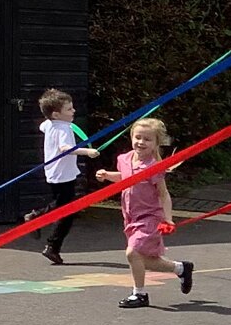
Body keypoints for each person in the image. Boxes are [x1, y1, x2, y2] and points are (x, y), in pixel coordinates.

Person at [95, 117, 194, 308]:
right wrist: (108, 176)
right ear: (132, 137)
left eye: (147, 139)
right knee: (144, 259)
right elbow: (125, 178)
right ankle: (181, 268)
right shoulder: (124, 159)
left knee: (133, 253)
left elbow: (164, 195)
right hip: (131, 216)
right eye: (137, 137)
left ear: (156, 143)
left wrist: (168, 219)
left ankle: (139, 294)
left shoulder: (154, 168)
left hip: (150, 217)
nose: (141, 142)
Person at [34, 88, 97, 266]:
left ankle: (37, 220)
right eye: (69, 109)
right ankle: (52, 245)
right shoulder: (64, 128)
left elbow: (42, 126)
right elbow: (65, 149)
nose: (73, 111)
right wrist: (88, 152)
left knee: (62, 205)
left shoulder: (50, 124)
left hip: (54, 171)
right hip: (63, 174)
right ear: (56, 113)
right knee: (66, 211)